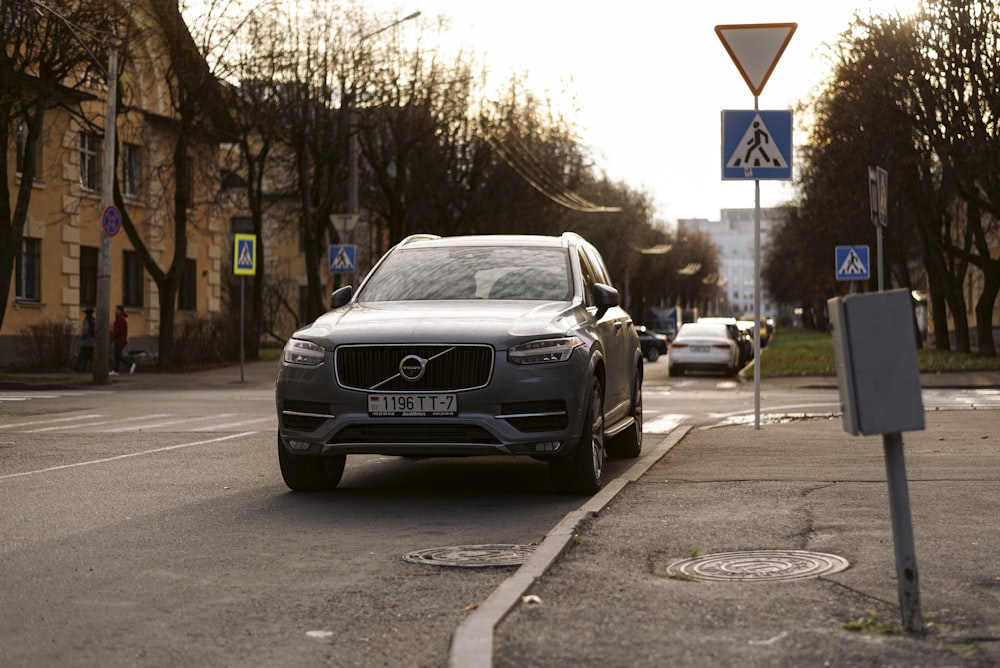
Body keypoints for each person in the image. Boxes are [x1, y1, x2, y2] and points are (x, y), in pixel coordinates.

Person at [109, 304, 136, 375]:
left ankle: (130, 365)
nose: (115, 311)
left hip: (120, 339)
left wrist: (113, 337)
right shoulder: (121, 318)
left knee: (117, 355)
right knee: (117, 355)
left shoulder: (120, 319)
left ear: (119, 310)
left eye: (116, 310)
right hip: (121, 339)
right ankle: (116, 370)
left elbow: (118, 330)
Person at [75, 308, 96, 372]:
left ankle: (76, 368)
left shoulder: (86, 320)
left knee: (81, 355)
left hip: (86, 341)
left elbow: (85, 331)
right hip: (92, 341)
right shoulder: (94, 320)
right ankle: (95, 368)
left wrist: (82, 337)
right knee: (91, 356)